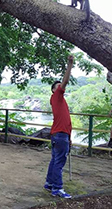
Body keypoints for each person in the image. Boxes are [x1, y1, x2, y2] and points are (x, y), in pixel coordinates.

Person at [44, 55, 74, 199]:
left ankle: (49, 183)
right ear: (54, 90)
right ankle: (57, 188)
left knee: (55, 159)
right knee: (59, 162)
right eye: (58, 87)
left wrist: (69, 137)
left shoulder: (61, 101)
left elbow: (66, 121)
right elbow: (65, 80)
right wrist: (70, 64)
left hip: (61, 134)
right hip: (60, 134)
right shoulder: (56, 96)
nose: (61, 87)